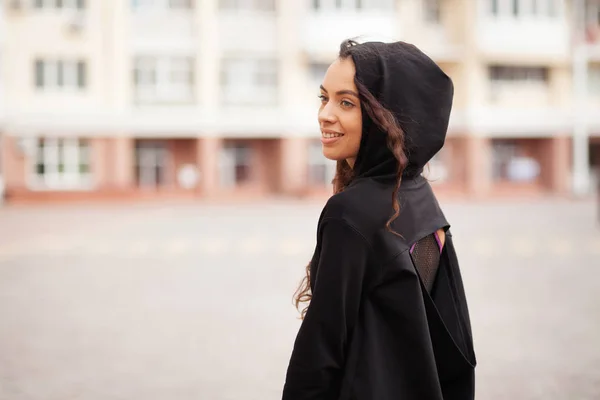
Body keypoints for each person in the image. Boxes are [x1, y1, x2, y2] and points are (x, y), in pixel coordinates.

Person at [282, 40, 476, 400]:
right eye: (324, 98)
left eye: (346, 103)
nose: (325, 114)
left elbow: (320, 352)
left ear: (386, 115)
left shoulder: (351, 214)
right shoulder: (416, 193)